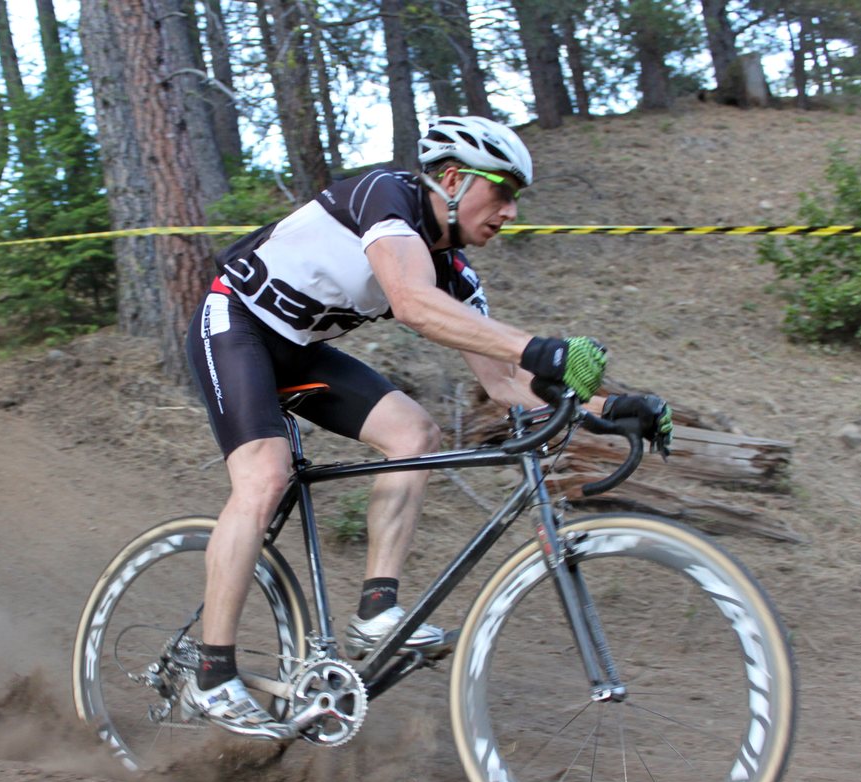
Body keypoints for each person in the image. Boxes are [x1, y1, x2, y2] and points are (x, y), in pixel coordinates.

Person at [181, 116, 672, 738]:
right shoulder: (387, 196)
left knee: (414, 434)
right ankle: (211, 673)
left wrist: (612, 408)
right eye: (504, 191)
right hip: (236, 323)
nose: (512, 212)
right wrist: (541, 348)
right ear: (453, 179)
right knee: (265, 476)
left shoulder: (457, 273)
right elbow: (411, 303)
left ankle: (376, 612)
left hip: (299, 349)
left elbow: (504, 382)